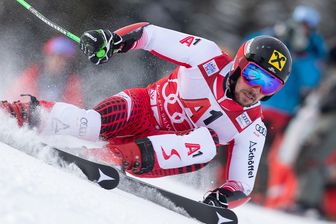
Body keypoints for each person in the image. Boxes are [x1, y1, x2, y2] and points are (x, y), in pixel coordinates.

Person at [0, 22, 292, 209]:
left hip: (162, 150)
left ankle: (110, 158)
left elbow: (242, 186)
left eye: (270, 85)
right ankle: (15, 113)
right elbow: (150, 35)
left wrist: (223, 198)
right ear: (240, 65)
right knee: (90, 123)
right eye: (254, 76)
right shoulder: (207, 55)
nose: (257, 90)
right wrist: (114, 41)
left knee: (205, 144)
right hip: (141, 109)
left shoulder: (252, 126)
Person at [238, 5, 327, 207]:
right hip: (253, 100)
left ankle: (257, 191)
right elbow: (246, 50)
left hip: (283, 110)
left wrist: (301, 54)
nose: (303, 29)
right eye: (301, 24)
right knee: (239, 140)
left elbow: (312, 80)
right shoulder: (274, 34)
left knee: (264, 150)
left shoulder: (314, 49)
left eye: (308, 26)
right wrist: (274, 39)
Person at [6, 36, 85, 106]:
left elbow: (75, 109)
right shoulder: (32, 74)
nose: (57, 61)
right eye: (53, 56)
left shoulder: (72, 83)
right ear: (47, 56)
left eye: (62, 58)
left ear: (68, 62)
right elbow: (13, 97)